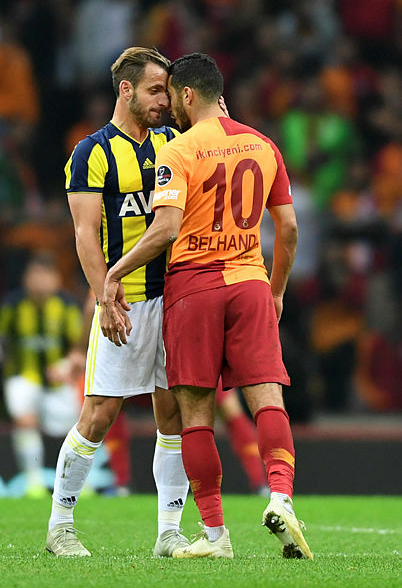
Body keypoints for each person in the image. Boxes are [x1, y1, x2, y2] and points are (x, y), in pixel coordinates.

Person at [102, 53, 313, 560]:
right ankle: (281, 497)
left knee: (195, 415)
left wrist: (115, 272)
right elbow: (287, 228)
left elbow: (166, 229)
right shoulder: (263, 144)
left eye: (172, 96)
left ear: (187, 94)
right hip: (250, 282)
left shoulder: (178, 150)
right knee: (267, 398)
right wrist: (276, 290)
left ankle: (216, 535)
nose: (169, 107)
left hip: (193, 289)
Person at [45, 47, 191, 558]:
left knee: (172, 412)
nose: (164, 101)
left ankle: (169, 532)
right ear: (126, 90)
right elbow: (85, 235)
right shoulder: (91, 152)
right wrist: (104, 297)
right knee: (100, 413)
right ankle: (60, 526)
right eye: (155, 91)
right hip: (125, 302)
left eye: (167, 92)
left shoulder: (172, 141)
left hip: (174, 299)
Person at [0, 253, 82, 497]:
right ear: (26, 278)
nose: (40, 282)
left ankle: (76, 484)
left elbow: (80, 346)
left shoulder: (67, 306)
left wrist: (66, 365)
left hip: (59, 381)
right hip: (23, 376)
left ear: (56, 279)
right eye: (35, 275)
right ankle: (33, 480)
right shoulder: (12, 305)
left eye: (45, 276)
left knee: (71, 430)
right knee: (25, 419)